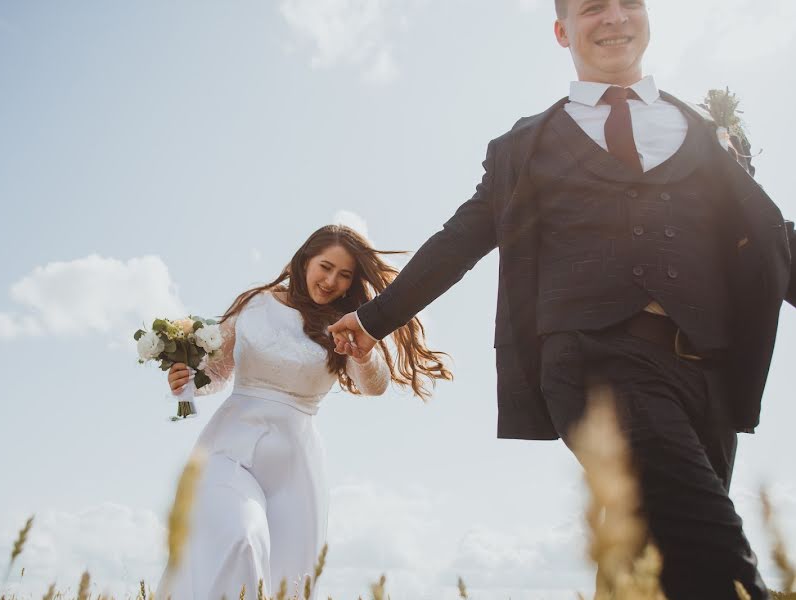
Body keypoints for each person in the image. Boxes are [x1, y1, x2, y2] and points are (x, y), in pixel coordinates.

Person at [328, 1, 796, 598]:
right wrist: (374, 319)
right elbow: (460, 241)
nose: (614, 17)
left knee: (644, 557)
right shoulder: (524, 146)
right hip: (594, 362)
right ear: (561, 30)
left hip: (706, 375)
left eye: (628, 2)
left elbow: (771, 242)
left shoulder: (706, 132)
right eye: (592, 7)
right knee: (713, 554)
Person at [156, 224, 451, 600]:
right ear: (304, 260)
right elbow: (216, 373)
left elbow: (372, 387)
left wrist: (361, 350)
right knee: (239, 538)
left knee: (287, 584)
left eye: (344, 275)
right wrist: (186, 381)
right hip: (229, 447)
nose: (331, 281)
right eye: (325, 267)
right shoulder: (256, 303)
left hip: (295, 465)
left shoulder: (347, 323)